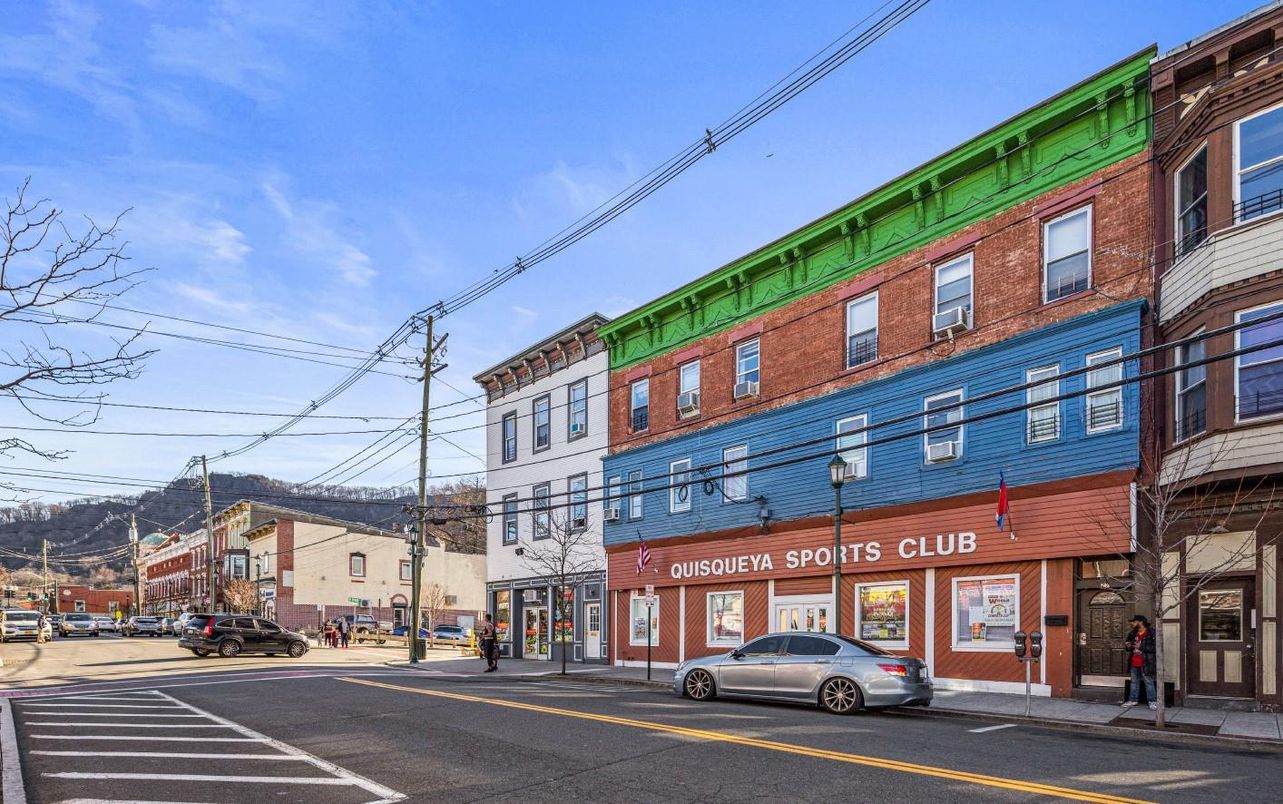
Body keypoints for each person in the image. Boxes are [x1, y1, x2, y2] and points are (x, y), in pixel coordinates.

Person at [1123, 614, 1158, 710]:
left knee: (1149, 682)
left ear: (1141, 622)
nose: (1132, 624)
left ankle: (1153, 701)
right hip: (1134, 661)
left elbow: (1156, 647)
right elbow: (1128, 646)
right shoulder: (1132, 633)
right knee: (1134, 682)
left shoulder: (1151, 633)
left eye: (1134, 622)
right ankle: (1133, 700)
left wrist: (1141, 647)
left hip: (1146, 662)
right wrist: (1128, 645)